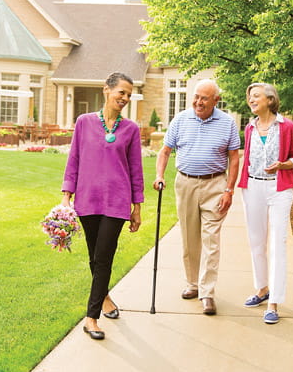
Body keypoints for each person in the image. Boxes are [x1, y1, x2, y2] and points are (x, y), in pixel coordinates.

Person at [61, 72, 144, 340]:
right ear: (106, 90)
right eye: (122, 92)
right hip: (87, 199)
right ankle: (105, 297)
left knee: (104, 257)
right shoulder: (84, 122)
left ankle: (91, 318)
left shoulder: (130, 129)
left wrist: (137, 207)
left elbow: (135, 170)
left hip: (117, 203)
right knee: (94, 257)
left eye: (129, 94)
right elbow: (74, 158)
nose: (125, 98)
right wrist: (66, 195)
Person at [153, 79, 240, 316]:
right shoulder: (180, 119)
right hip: (186, 183)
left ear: (215, 100)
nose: (198, 102)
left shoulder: (227, 123)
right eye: (196, 96)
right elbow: (165, 151)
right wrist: (160, 175)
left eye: (204, 98)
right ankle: (192, 283)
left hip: (215, 184)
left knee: (211, 239)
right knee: (189, 237)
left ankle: (207, 292)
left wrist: (229, 190)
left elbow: (234, 158)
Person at [237, 83, 293, 324]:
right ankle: (262, 289)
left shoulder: (287, 127)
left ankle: (274, 302)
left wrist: (283, 165)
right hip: (253, 186)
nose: (251, 100)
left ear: (270, 100)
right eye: (249, 97)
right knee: (256, 242)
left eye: (255, 96)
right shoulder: (250, 128)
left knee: (277, 244)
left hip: (278, 188)